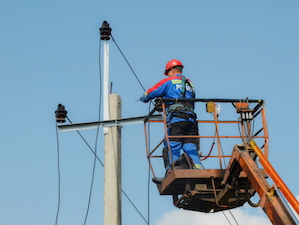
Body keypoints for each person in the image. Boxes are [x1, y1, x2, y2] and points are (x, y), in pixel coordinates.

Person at [140, 59, 203, 176]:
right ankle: (197, 168)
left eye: (168, 72)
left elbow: (150, 93)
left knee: (171, 144)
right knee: (190, 145)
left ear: (172, 70)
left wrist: (143, 98)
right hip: (191, 119)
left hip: (176, 118)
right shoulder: (190, 84)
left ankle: (172, 170)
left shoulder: (169, 81)